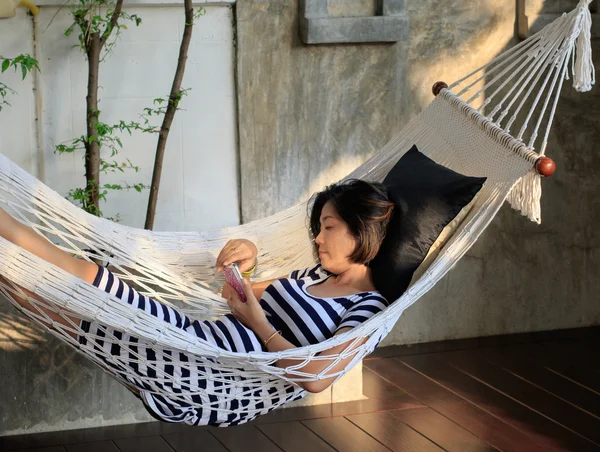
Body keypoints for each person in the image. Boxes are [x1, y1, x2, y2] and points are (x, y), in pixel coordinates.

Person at [0, 179, 393, 426]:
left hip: (212, 379)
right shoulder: (315, 276)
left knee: (65, 290)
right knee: (66, 291)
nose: (318, 240)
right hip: (192, 338)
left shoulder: (369, 307)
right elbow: (238, 290)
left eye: (328, 228)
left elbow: (317, 377)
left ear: (362, 231)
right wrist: (250, 256)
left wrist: (259, 323)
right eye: (319, 230)